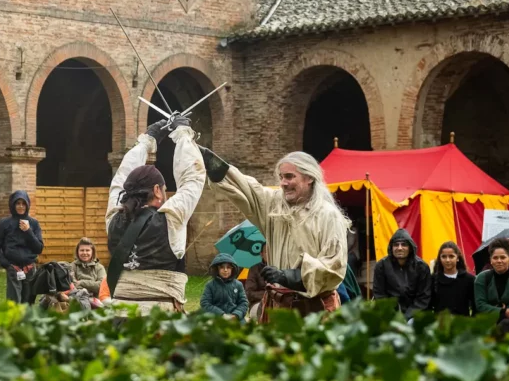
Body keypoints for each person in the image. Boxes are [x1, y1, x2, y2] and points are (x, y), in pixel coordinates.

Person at [200, 147, 348, 316]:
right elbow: (248, 189)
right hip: (279, 306)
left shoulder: (328, 215)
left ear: (309, 178)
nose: (283, 183)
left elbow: (334, 267)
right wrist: (205, 157)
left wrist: (290, 276)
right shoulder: (274, 205)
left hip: (315, 309)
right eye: (281, 177)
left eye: (290, 176)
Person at [105, 116, 205, 312]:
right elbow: (192, 177)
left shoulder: (113, 219)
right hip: (159, 318)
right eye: (165, 189)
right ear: (158, 190)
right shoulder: (171, 218)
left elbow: (120, 179)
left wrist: (147, 140)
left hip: (119, 316)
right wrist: (183, 134)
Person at [0, 191, 44, 303]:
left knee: (28, 302)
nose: (21, 206)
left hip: (30, 269)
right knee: (14, 303)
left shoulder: (33, 223)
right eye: (18, 203)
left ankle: (26, 321)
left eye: (23, 203)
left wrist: (28, 231)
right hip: (13, 268)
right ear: (13, 205)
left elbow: (38, 248)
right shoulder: (5, 223)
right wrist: (6, 264)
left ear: (27, 205)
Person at [372, 229, 431, 319]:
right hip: (389, 315)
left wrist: (406, 317)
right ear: (391, 248)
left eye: (404, 244)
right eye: (396, 245)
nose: (399, 248)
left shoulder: (421, 267)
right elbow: (380, 295)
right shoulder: (381, 266)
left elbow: (423, 298)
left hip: (415, 314)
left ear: (410, 248)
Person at [475, 237, 509, 335]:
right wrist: (503, 311)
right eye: (495, 258)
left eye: (503, 257)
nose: (499, 261)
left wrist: (500, 311)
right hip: (488, 319)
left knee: (505, 324)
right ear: (490, 260)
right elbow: (480, 304)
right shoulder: (481, 278)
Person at [430, 241, 475, 317]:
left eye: (451, 256)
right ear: (439, 259)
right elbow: (428, 305)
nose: (447, 260)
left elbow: (475, 306)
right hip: (440, 325)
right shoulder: (433, 279)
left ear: (457, 258)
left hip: (462, 324)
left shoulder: (469, 279)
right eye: (444, 256)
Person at [200, 253, 248, 320]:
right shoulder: (210, 285)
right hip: (216, 318)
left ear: (232, 269)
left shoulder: (238, 285)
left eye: (228, 267)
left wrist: (236, 314)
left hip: (235, 318)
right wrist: (221, 314)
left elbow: (244, 303)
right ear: (217, 269)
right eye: (222, 267)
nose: (225, 270)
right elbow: (205, 303)